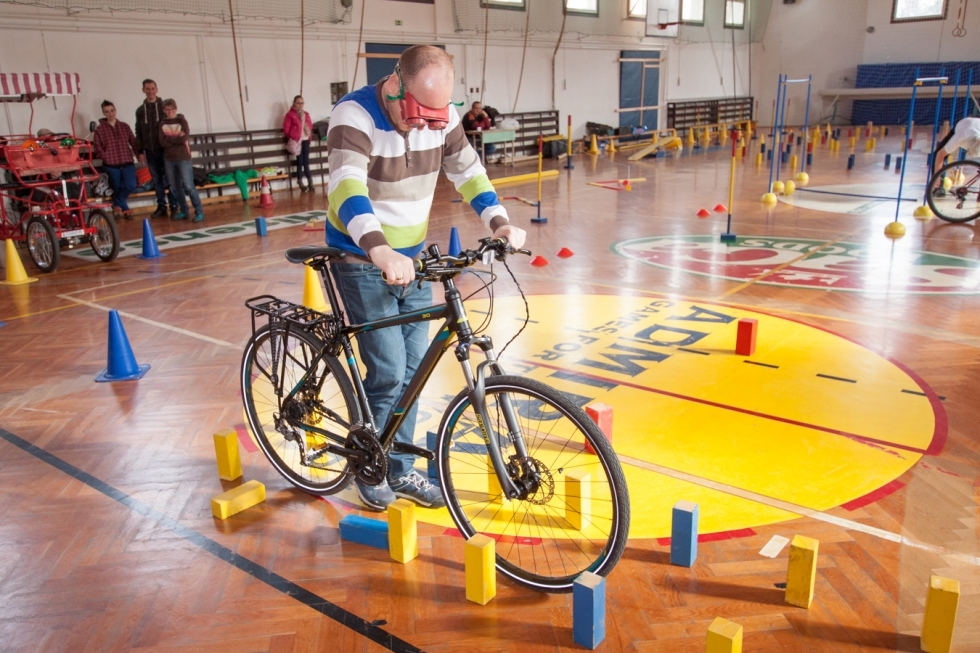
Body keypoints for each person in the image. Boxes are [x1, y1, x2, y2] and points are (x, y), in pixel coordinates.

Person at [326, 44, 526, 511]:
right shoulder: (353, 115)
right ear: (395, 84)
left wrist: (497, 221)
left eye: (436, 118)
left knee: (415, 373)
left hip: (410, 259)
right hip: (361, 257)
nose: (424, 125)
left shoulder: (440, 116)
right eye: (417, 114)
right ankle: (368, 467)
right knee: (390, 369)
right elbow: (346, 186)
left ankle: (398, 470)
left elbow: (467, 170)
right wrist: (378, 248)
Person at [135, 79, 178, 218]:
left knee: (170, 178)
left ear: (157, 89)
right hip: (150, 151)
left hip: (165, 150)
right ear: (143, 90)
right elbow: (139, 131)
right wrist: (140, 151)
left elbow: (173, 124)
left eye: (153, 88)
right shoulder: (140, 111)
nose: (150, 91)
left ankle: (174, 205)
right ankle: (161, 207)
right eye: (147, 89)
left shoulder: (164, 107)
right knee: (157, 180)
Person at [158, 99, 204, 223]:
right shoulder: (162, 123)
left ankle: (199, 211)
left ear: (176, 109)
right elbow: (162, 142)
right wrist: (176, 138)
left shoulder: (182, 121)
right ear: (164, 110)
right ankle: (184, 210)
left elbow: (184, 139)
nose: (170, 112)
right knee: (174, 187)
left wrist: (170, 139)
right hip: (169, 159)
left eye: (172, 109)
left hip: (183, 158)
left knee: (188, 185)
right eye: (167, 109)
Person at [92, 100, 138, 220]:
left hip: (127, 161)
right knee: (117, 187)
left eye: (112, 111)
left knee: (130, 185)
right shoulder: (100, 130)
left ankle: (116, 204)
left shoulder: (124, 126)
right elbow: (97, 147)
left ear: (115, 111)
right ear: (103, 113)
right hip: (111, 165)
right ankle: (126, 209)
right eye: (107, 112)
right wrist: (105, 156)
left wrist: (139, 155)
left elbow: (133, 142)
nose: (110, 114)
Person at [931, 115, 980, 194]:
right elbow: (940, 155)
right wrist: (937, 176)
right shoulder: (960, 136)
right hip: (965, 124)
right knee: (938, 152)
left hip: (976, 125)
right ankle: (938, 186)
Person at [283, 95, 314, 192]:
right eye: (298, 103)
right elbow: (286, 129)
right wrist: (293, 136)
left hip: (305, 140)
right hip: (297, 141)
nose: (300, 105)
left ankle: (310, 182)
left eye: (302, 103)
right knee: (299, 162)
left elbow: (310, 126)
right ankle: (300, 182)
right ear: (294, 103)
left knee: (306, 162)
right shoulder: (290, 115)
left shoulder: (306, 114)